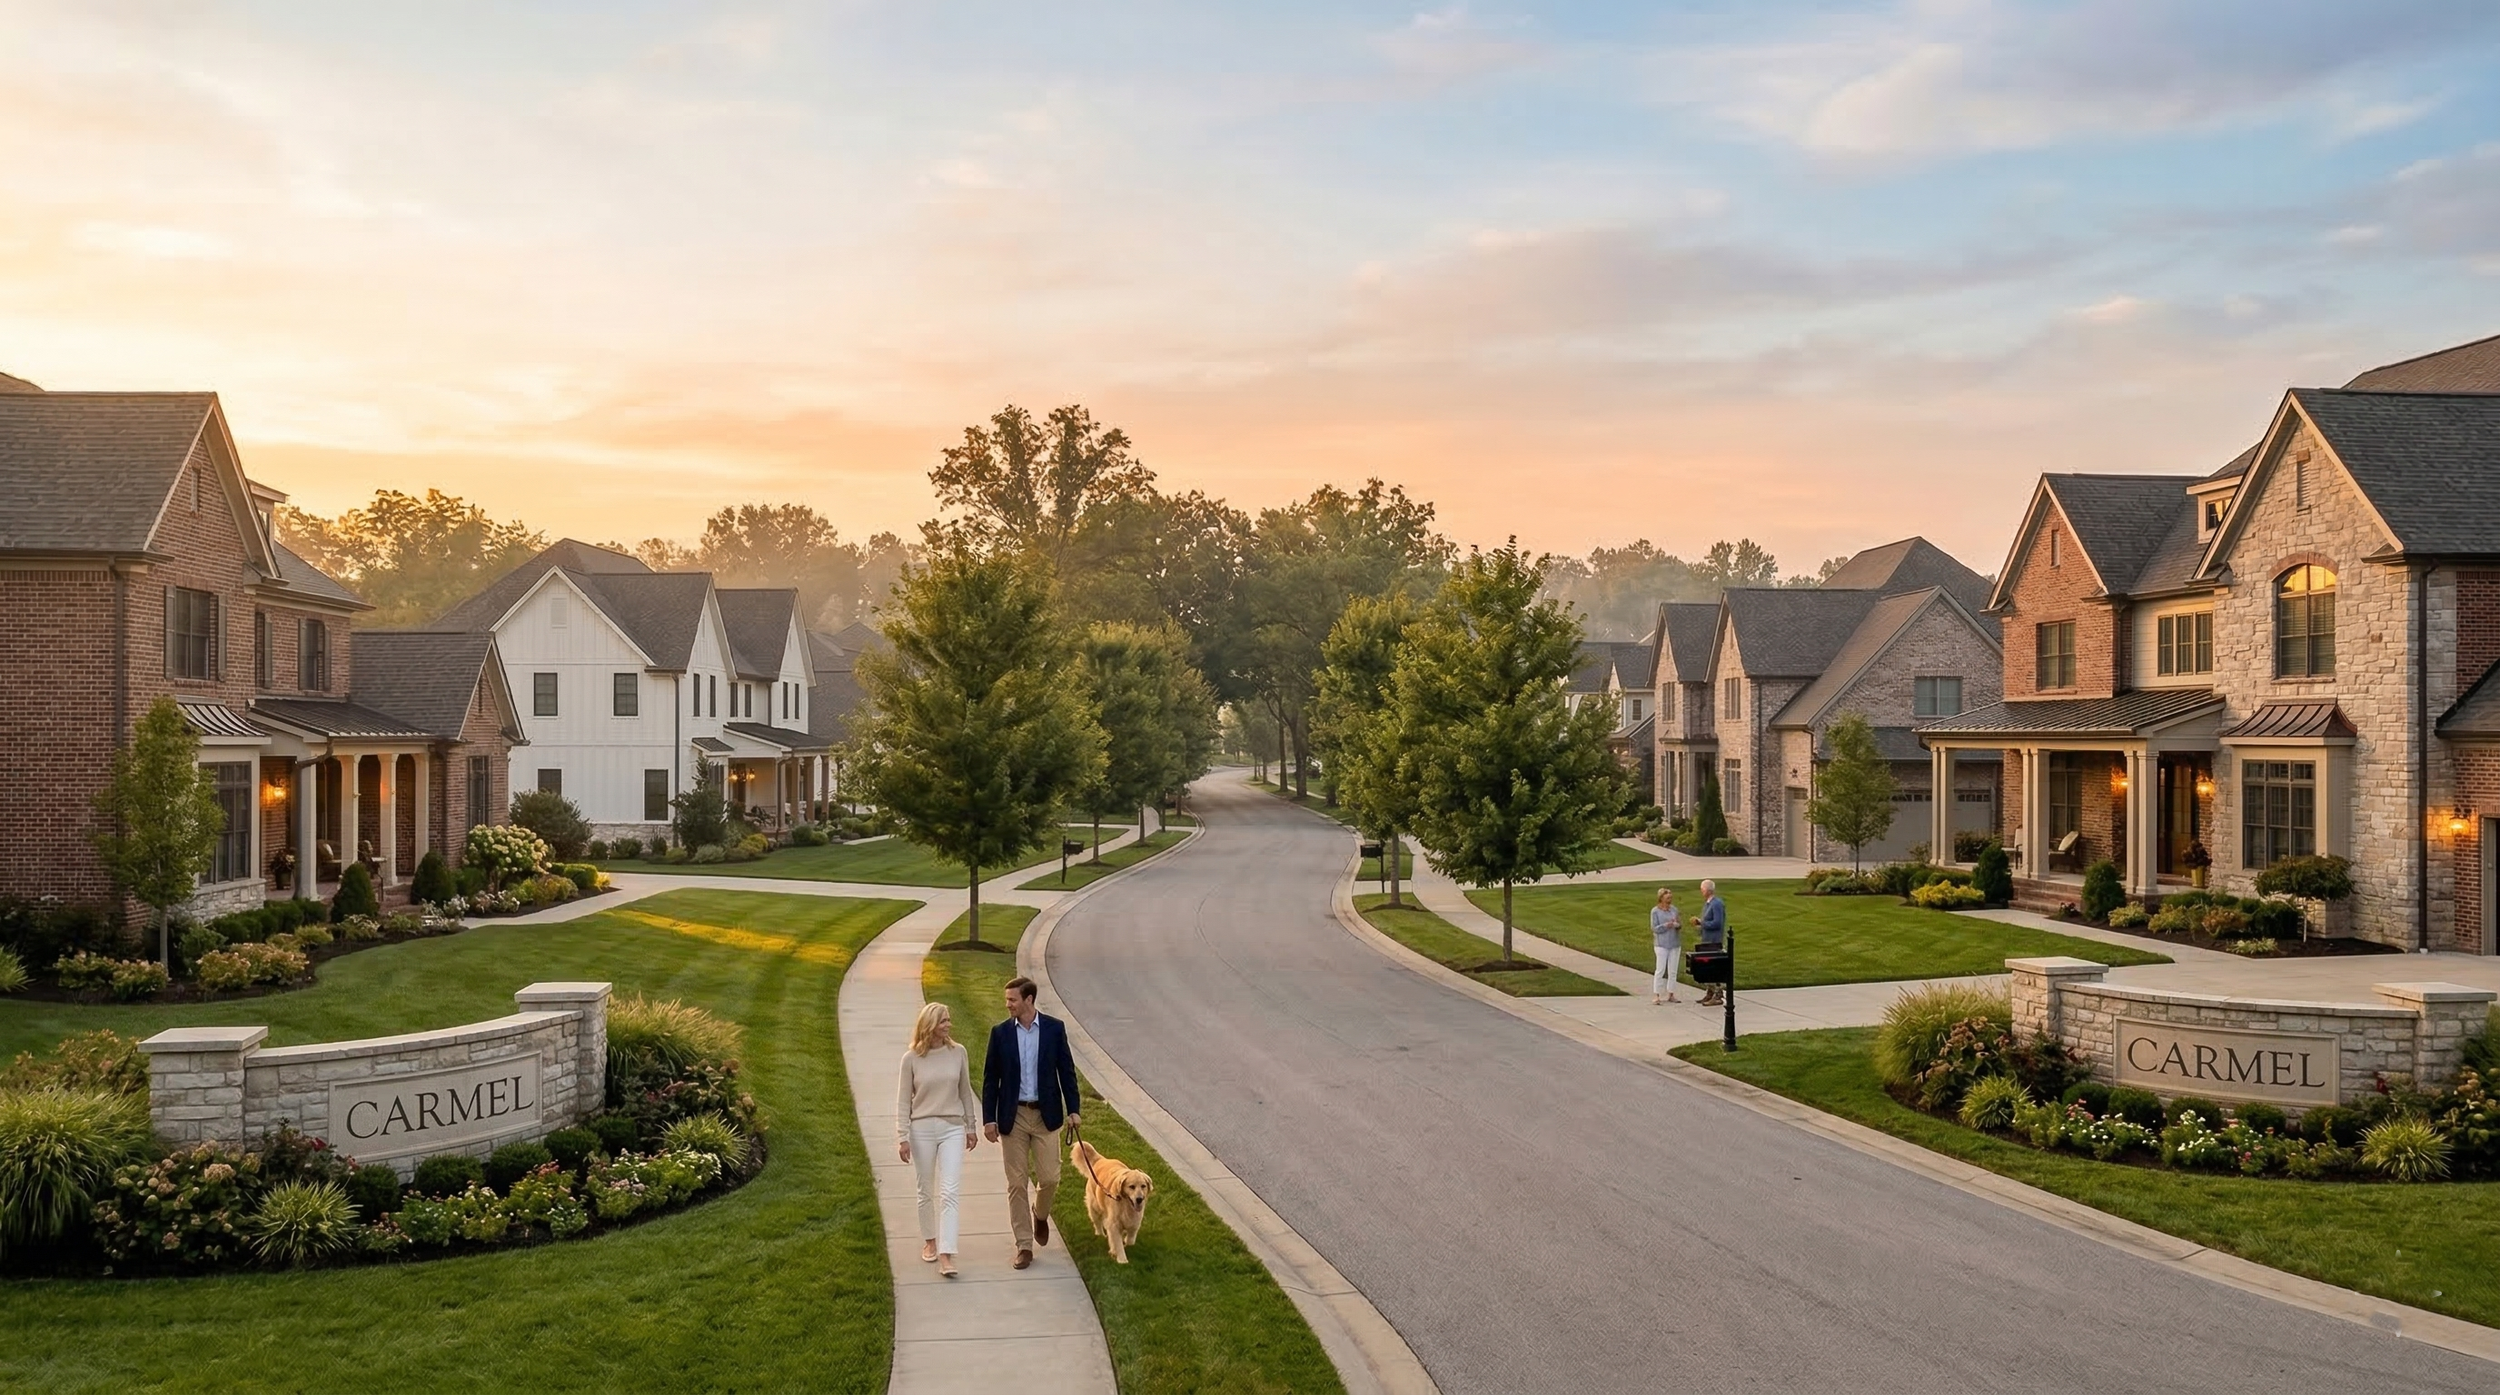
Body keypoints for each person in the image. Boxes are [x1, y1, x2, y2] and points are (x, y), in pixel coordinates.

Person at [983, 975, 1081, 1271]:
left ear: (1029, 1000)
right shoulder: (1000, 1033)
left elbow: (1066, 1071)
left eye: (1012, 999)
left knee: (1050, 1177)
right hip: (1013, 1117)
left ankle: (1040, 1213)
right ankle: (1024, 1245)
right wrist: (989, 1118)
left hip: (1045, 1115)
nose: (1008, 1004)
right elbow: (991, 1079)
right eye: (1007, 1000)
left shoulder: (1053, 1029)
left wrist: (1073, 1110)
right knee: (1016, 1183)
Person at [897, 1002, 980, 1277]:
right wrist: (902, 1136)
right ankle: (930, 1242)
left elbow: (965, 1091)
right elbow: (902, 1102)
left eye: (949, 1020)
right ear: (930, 1025)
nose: (949, 1025)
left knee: (950, 1192)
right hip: (921, 1130)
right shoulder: (910, 1059)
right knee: (925, 1191)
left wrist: (971, 1126)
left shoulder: (958, 1053)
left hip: (952, 1128)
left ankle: (946, 1254)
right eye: (944, 1021)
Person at [1695, 879, 1727, 1007]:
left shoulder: (1716, 904)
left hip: (1714, 941)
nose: (1701, 891)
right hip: (1706, 940)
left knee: (1715, 967)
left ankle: (1718, 994)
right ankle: (1710, 991)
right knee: (1707, 967)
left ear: (1708, 890)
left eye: (1702, 889)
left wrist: (1702, 923)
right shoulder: (1707, 904)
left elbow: (1717, 923)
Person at [1650, 887, 1682, 1005]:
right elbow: (1654, 928)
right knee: (1660, 969)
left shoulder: (1674, 910)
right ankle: (1656, 994)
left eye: (1670, 897)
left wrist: (1677, 925)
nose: (1669, 899)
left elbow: (1679, 924)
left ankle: (1671, 993)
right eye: (1667, 897)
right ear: (1661, 898)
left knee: (1673, 970)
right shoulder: (1655, 911)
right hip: (1662, 944)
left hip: (1674, 943)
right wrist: (1666, 925)